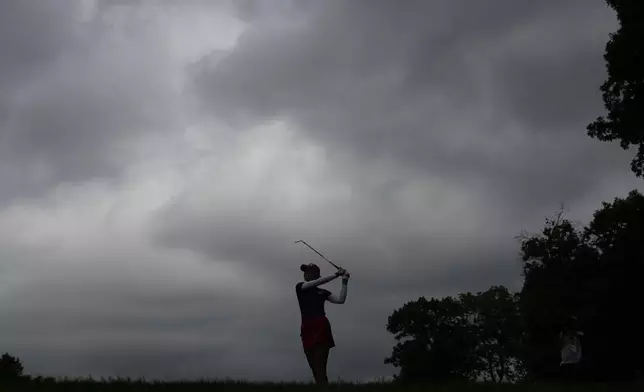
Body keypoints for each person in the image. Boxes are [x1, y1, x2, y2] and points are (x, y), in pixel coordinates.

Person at [296, 262, 350, 385]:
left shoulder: (323, 292)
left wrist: (344, 281)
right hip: (307, 328)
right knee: (315, 369)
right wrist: (336, 275)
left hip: (321, 327)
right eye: (305, 272)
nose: (305, 274)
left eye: (308, 271)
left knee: (320, 367)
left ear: (316, 274)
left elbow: (340, 300)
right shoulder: (300, 287)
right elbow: (315, 283)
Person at [559, 318, 584, 382]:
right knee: (568, 362)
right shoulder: (565, 332)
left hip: (573, 350)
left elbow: (580, 334)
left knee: (573, 362)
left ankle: (572, 378)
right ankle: (567, 378)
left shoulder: (575, 333)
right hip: (568, 350)